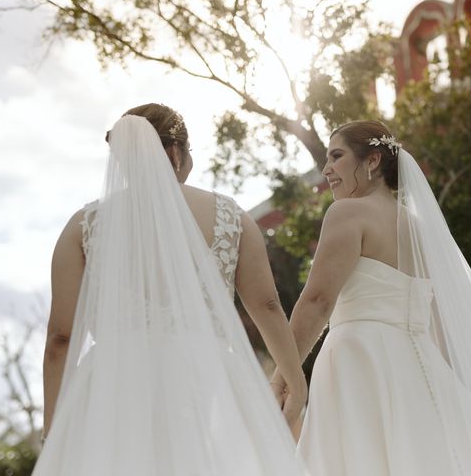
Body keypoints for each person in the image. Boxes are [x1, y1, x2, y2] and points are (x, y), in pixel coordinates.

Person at [272, 120, 471, 475]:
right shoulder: (420, 230)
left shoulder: (347, 212)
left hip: (359, 360)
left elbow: (317, 301)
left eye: (337, 156)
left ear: (373, 160)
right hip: (419, 363)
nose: (327, 169)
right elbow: (434, 319)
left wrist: (283, 374)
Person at [34, 104, 307, 475]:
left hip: (113, 386)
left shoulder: (84, 226)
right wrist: (294, 378)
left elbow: (60, 339)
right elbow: (267, 306)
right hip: (205, 377)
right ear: (176, 152)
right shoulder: (230, 217)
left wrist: (55, 431)